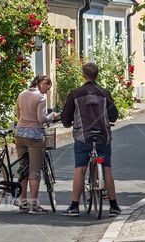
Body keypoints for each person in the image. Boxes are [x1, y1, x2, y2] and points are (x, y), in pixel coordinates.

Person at [59, 62, 121, 217]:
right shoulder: (105, 93)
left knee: (80, 169)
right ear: (97, 75)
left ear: (83, 75)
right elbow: (114, 115)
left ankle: (74, 206)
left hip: (83, 136)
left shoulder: (75, 93)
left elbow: (66, 118)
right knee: (107, 168)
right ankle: (114, 206)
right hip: (103, 136)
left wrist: (68, 123)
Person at [15, 75, 60, 214]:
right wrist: (52, 116)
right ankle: (34, 205)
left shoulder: (21, 94)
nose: (47, 91)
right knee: (34, 171)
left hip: (20, 135)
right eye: (48, 87)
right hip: (34, 137)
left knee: (23, 169)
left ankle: (23, 202)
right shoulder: (40, 97)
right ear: (42, 83)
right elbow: (41, 119)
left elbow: (17, 115)